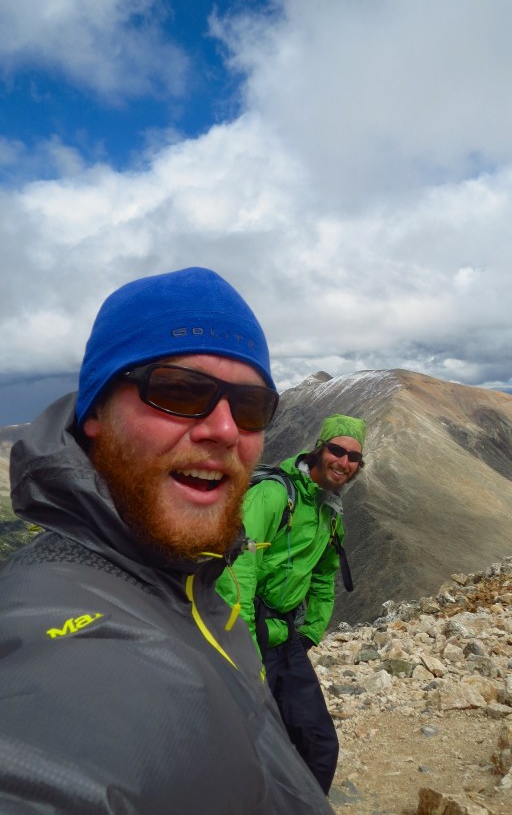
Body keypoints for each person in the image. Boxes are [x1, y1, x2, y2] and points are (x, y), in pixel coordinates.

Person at [0, 267, 333, 814]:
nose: (224, 429)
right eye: (179, 391)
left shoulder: (192, 579)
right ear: (96, 413)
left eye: (249, 407)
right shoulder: (54, 615)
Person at [217, 413, 366, 795]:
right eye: (336, 450)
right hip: (250, 635)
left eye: (353, 458)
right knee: (251, 748)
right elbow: (238, 570)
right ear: (320, 448)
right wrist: (245, 648)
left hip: (287, 637)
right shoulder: (273, 494)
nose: (343, 462)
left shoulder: (329, 511)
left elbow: (323, 574)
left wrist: (312, 630)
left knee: (319, 746)